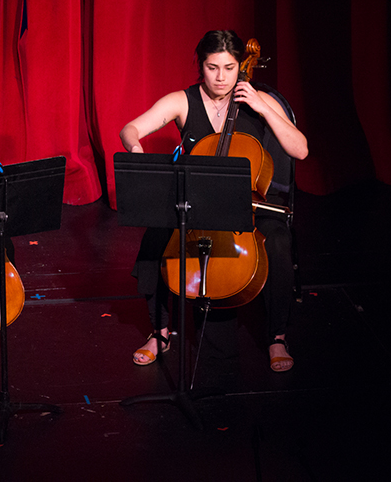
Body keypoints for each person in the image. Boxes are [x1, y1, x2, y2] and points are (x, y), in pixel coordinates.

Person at [119, 30, 308, 372]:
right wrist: (135, 147)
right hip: (199, 202)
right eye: (212, 67)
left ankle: (276, 336)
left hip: (249, 205)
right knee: (154, 239)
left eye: (230, 67)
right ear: (200, 66)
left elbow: (300, 149)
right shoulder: (183, 100)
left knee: (278, 243)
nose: (221, 77)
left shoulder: (259, 99)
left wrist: (262, 106)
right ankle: (160, 331)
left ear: (240, 67)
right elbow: (130, 128)